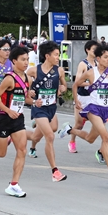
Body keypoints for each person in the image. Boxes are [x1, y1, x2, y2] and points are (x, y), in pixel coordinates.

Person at [63, 46, 108, 181]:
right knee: (105, 137)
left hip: (105, 110)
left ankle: (70, 130)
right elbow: (75, 84)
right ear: (98, 59)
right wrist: (76, 101)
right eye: (105, 57)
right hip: (93, 108)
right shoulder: (91, 73)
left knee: (90, 139)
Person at [0, 46, 38, 197]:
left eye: (27, 59)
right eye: (23, 60)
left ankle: (14, 184)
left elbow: (23, 98)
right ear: (14, 61)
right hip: (5, 118)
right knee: (0, 154)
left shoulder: (27, 78)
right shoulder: (9, 78)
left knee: (22, 150)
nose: (26, 62)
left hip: (18, 118)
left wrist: (33, 102)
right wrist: (7, 111)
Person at [26, 41, 68, 182]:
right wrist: (29, 91)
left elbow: (64, 85)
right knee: (49, 136)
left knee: (37, 136)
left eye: (58, 55)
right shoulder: (33, 71)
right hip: (39, 107)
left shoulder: (59, 70)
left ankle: (13, 135)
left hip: (52, 107)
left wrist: (62, 89)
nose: (58, 57)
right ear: (47, 56)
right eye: (56, 55)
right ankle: (55, 171)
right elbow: (23, 84)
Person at [66, 40, 100, 154]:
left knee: (98, 123)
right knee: (79, 124)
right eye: (94, 50)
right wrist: (89, 83)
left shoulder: (98, 64)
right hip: (82, 96)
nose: (96, 52)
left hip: (94, 98)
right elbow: (77, 82)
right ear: (88, 50)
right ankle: (71, 141)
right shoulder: (83, 64)